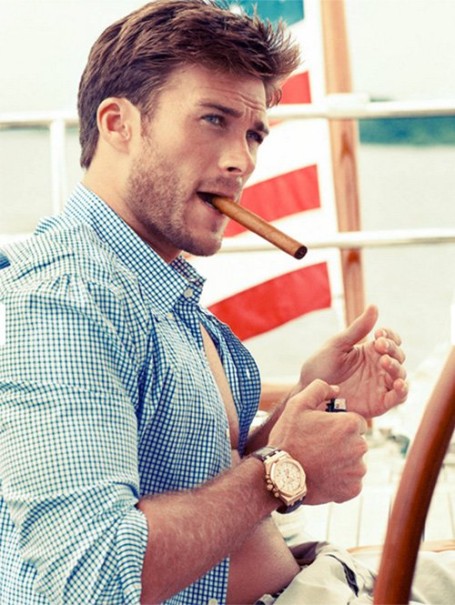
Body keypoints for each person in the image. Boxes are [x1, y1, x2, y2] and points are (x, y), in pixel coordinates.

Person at [0, 1, 418, 603]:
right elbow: (87, 580)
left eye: (253, 134)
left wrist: (307, 404)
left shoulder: (152, 281)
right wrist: (284, 469)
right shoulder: (67, 301)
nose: (241, 160)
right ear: (118, 125)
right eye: (213, 120)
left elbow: (199, 479)